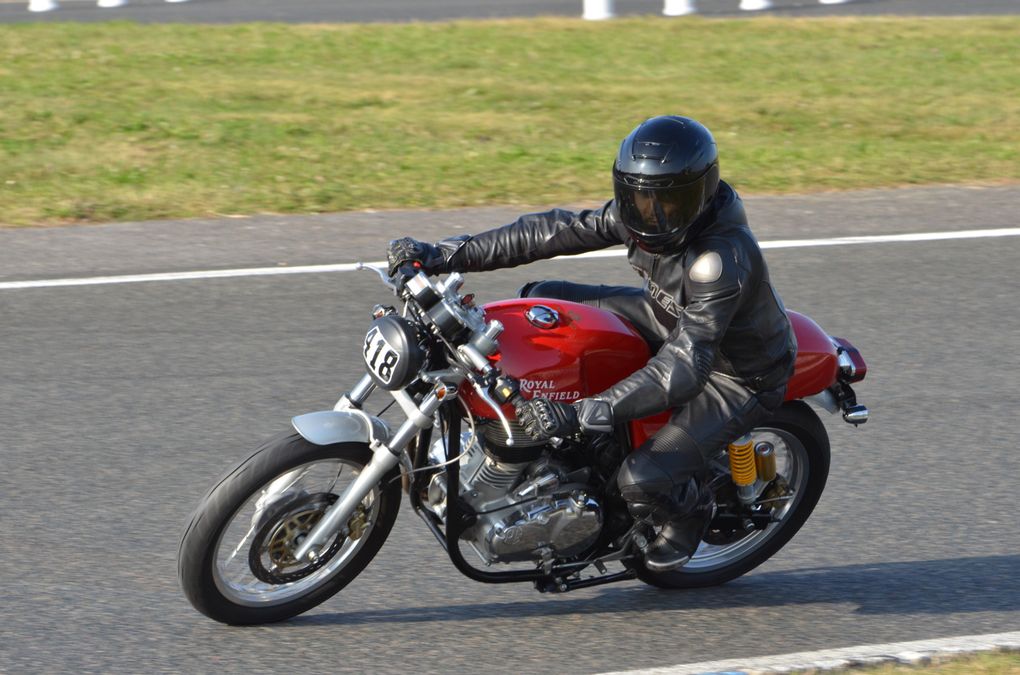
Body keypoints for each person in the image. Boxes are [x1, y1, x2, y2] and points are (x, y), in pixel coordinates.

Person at [387, 115, 796, 572]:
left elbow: (686, 367)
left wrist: (582, 412)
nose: (651, 214)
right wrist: (444, 254)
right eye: (640, 198)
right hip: (663, 316)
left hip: (734, 373)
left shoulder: (718, 261)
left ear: (701, 194)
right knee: (540, 302)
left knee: (641, 479)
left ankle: (691, 512)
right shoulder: (642, 211)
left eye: (668, 202)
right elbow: (553, 231)